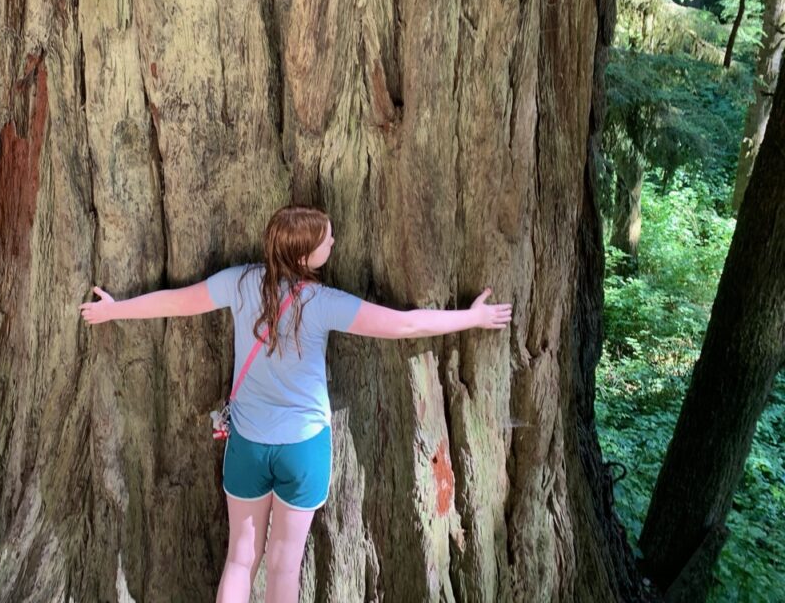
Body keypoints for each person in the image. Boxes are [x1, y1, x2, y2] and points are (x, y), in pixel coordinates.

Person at [79, 205, 512, 603]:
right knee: (285, 566)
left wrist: (115, 311)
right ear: (306, 254)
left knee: (240, 559)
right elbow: (405, 324)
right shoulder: (323, 304)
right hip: (303, 449)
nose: (334, 244)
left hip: (248, 444)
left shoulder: (240, 282)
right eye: (327, 239)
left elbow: (176, 302)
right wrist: (471, 318)